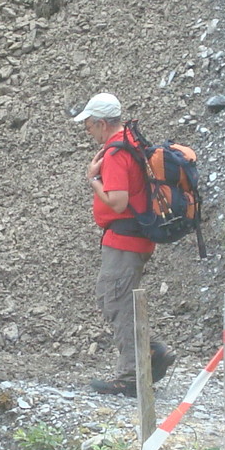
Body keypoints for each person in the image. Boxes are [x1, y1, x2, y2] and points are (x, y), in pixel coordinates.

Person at [75, 92, 173, 395]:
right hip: (133, 237)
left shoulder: (116, 153)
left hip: (125, 238)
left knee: (116, 301)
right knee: (115, 298)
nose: (87, 131)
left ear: (102, 123)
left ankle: (131, 375)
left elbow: (118, 202)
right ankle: (154, 352)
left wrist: (94, 180)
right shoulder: (131, 142)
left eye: (89, 125)